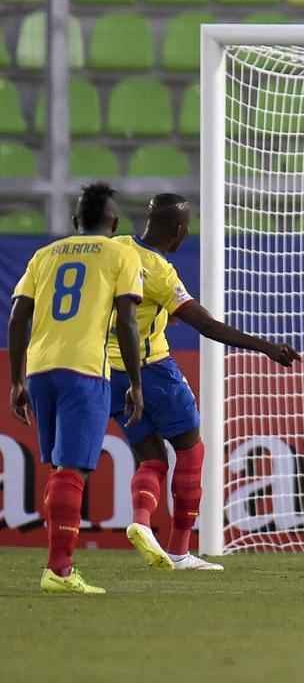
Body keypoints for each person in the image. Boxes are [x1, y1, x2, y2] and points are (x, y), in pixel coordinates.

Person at [112, 193, 301, 572]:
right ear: (181, 231)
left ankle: (142, 520)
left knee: (150, 458)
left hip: (109, 373)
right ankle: (180, 550)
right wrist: (266, 347)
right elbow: (208, 325)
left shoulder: (116, 250)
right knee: (190, 451)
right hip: (153, 368)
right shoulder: (161, 272)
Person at [8, 182, 145, 595]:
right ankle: (60, 570)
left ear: (75, 220)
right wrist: (136, 383)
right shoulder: (121, 253)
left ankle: (59, 564)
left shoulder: (45, 255)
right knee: (74, 469)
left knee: (59, 469)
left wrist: (16, 378)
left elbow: (17, 318)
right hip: (85, 369)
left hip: (41, 368)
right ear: (114, 221)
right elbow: (126, 320)